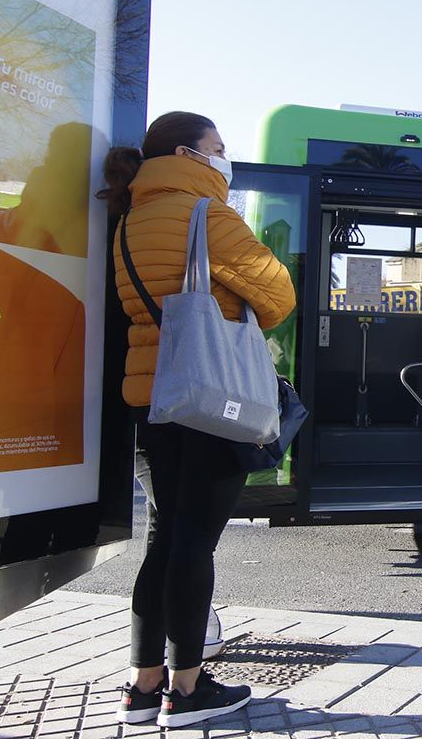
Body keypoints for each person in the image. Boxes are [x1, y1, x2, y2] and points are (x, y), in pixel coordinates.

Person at [99, 112, 296, 728]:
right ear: (189, 152)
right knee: (193, 544)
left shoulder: (127, 218)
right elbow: (279, 294)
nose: (224, 156)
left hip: (150, 398)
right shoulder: (207, 215)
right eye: (218, 148)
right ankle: (185, 692)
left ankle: (141, 684)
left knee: (163, 540)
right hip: (210, 397)